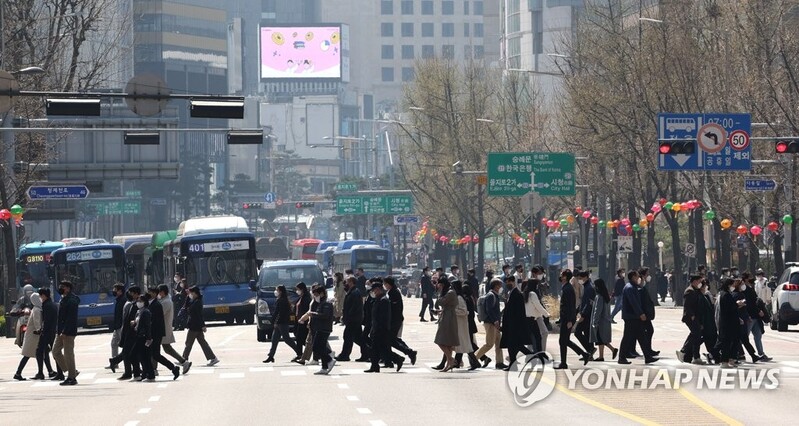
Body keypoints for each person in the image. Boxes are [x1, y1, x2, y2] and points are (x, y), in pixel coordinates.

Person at [618, 271, 656, 365]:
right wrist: (640, 313)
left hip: (634, 317)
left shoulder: (633, 287)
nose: (639, 278)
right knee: (627, 337)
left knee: (641, 336)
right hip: (631, 317)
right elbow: (633, 302)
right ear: (633, 277)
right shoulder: (630, 288)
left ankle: (647, 357)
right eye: (637, 276)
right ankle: (621, 357)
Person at [365, 282, 403, 373]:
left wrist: (378, 329)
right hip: (377, 328)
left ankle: (397, 359)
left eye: (374, 290)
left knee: (378, 349)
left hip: (381, 330)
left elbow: (383, 317)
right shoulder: (378, 299)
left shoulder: (384, 300)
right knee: (380, 349)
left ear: (378, 289)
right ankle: (376, 366)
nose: (373, 292)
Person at [555, 270, 589, 369]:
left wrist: (569, 320)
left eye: (561, 275)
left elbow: (570, 306)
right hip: (566, 318)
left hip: (568, 319)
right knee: (565, 341)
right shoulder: (566, 287)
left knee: (563, 341)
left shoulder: (567, 289)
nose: (560, 277)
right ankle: (584, 354)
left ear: (565, 277)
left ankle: (564, 363)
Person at [146, 287, 181, 380]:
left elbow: (154, 320)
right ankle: (151, 372)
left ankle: (172, 368)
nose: (148, 293)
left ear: (154, 293)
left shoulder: (157, 304)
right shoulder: (153, 303)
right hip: (154, 333)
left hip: (156, 333)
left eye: (150, 292)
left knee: (155, 354)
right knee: (154, 354)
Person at [157, 285, 191, 374]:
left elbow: (158, 314)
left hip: (163, 328)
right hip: (163, 328)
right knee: (166, 349)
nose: (158, 294)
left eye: (159, 292)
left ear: (163, 292)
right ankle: (184, 362)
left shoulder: (166, 302)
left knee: (156, 349)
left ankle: (153, 369)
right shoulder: (164, 300)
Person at [182, 286, 220, 367]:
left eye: (191, 293)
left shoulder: (198, 302)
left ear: (195, 293)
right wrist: (188, 298)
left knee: (188, 343)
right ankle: (213, 358)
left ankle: (184, 359)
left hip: (195, 326)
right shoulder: (194, 300)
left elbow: (199, 315)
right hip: (196, 325)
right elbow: (186, 307)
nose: (190, 295)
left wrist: (203, 325)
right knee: (203, 343)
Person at [264, 285, 302, 363]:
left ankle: (299, 353)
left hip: (282, 323)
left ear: (280, 291)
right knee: (274, 340)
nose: (275, 292)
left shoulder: (282, 300)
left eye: (277, 290)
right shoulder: (282, 300)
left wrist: (275, 321)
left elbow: (279, 313)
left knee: (287, 339)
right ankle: (271, 356)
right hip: (280, 322)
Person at [110, 286, 142, 380]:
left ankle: (133, 372)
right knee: (128, 353)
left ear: (136, 293)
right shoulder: (131, 303)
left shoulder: (138, 304)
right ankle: (133, 372)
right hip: (128, 331)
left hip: (134, 332)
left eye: (132, 293)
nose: (130, 294)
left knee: (129, 353)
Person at [52, 281, 80, 386]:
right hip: (61, 331)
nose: (60, 288)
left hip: (67, 332)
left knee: (69, 354)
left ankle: (72, 378)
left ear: (68, 288)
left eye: (62, 287)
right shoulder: (64, 298)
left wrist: (65, 331)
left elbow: (70, 319)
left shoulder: (71, 301)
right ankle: (72, 371)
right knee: (55, 352)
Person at [384, 277, 417, 365]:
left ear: (388, 284)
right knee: (393, 339)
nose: (384, 286)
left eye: (385, 284)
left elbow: (394, 308)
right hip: (394, 319)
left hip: (395, 320)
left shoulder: (394, 292)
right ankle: (408, 353)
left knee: (391, 340)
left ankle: (408, 352)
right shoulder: (392, 291)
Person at [475, 279, 505, 369]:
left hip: (495, 323)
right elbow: (489, 310)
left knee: (499, 344)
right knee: (489, 344)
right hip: (491, 323)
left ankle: (499, 362)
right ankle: (474, 358)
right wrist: (495, 321)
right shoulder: (491, 296)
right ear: (496, 286)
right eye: (500, 286)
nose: (501, 287)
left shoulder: (494, 295)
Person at [13, 292, 43, 381]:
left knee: (38, 354)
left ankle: (40, 372)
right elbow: (37, 323)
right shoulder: (37, 310)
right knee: (27, 355)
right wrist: (40, 330)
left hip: (33, 336)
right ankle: (18, 373)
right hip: (33, 336)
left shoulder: (35, 308)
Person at [307, 285, 336, 375]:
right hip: (319, 327)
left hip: (324, 328)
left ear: (322, 293)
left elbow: (325, 315)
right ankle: (324, 367)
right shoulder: (321, 302)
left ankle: (329, 359)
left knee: (316, 347)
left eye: (316, 294)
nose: (315, 296)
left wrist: (313, 314)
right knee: (321, 347)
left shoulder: (326, 303)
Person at [452, 281, 481, 370]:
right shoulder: (459, 297)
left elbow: (464, 311)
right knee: (462, 345)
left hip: (462, 325)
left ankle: (475, 362)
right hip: (460, 324)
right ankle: (457, 362)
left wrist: (453, 311)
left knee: (465, 344)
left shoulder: (460, 298)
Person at [677, 275, 705, 364]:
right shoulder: (689, 291)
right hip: (690, 317)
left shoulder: (695, 290)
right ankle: (684, 352)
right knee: (696, 334)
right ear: (694, 281)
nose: (701, 283)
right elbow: (687, 305)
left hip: (695, 317)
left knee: (696, 335)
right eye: (699, 281)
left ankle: (694, 356)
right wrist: (692, 315)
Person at [433, 276, 459, 372]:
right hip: (446, 316)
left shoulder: (450, 292)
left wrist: (439, 293)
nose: (438, 286)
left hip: (449, 318)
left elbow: (441, 302)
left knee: (441, 340)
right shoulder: (447, 292)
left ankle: (451, 360)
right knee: (447, 343)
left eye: (439, 284)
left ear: (442, 284)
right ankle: (449, 363)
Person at [336, 277, 365, 361]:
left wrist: (347, 317)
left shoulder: (355, 292)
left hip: (353, 319)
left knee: (348, 337)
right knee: (358, 338)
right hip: (354, 319)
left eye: (347, 282)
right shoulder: (352, 291)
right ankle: (367, 353)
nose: (345, 284)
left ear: (351, 282)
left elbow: (354, 307)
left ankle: (345, 355)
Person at [716, 278, 743, 368]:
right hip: (728, 322)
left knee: (729, 341)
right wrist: (737, 304)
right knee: (726, 342)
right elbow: (729, 308)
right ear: (728, 285)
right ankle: (724, 361)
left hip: (729, 321)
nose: (733, 287)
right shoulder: (726, 295)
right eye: (732, 285)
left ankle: (728, 360)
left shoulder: (725, 294)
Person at [589, 279, 618, 361]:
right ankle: (611, 351)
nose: (594, 286)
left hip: (600, 322)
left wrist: (594, 321)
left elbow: (597, 310)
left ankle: (602, 356)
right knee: (601, 339)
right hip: (605, 321)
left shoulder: (599, 297)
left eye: (595, 285)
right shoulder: (605, 296)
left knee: (600, 339)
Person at [35, 288, 57, 380]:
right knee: (54, 352)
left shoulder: (46, 305)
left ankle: (41, 372)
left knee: (39, 352)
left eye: (40, 296)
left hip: (47, 332)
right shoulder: (52, 304)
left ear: (44, 295)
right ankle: (56, 372)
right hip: (52, 331)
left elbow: (46, 321)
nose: (40, 298)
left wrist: (42, 331)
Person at [133, 294, 155, 382]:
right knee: (143, 356)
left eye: (140, 301)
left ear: (145, 302)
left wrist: (149, 338)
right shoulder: (139, 311)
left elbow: (147, 326)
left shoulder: (146, 312)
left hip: (143, 337)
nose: (138, 303)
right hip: (138, 335)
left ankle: (149, 374)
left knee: (143, 356)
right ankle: (147, 374)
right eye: (138, 301)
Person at [523, 279, 549, 354]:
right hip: (533, 318)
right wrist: (546, 314)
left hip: (528, 318)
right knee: (538, 337)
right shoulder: (532, 294)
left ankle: (536, 353)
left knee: (534, 337)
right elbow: (538, 306)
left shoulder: (526, 293)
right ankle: (540, 354)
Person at [638, 268, 659, 359]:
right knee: (647, 331)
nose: (648, 275)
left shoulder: (644, 284)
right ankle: (647, 352)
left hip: (645, 313)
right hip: (643, 314)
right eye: (647, 274)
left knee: (648, 331)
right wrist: (642, 312)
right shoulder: (640, 284)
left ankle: (648, 350)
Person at [574, 271, 596, 359]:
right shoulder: (586, 287)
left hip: (587, 315)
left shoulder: (589, 288)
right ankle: (589, 353)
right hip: (586, 313)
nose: (579, 280)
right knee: (587, 334)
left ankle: (590, 349)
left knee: (577, 332)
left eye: (581, 278)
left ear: (586, 277)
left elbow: (589, 303)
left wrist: (583, 315)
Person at [107, 283, 126, 371]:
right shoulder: (118, 299)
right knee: (114, 343)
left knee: (125, 345)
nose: (114, 291)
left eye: (115, 289)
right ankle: (115, 362)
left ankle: (124, 362)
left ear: (120, 291)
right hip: (117, 326)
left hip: (121, 326)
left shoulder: (123, 300)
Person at [292, 282, 312, 362]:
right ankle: (300, 354)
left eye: (298, 289)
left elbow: (307, 310)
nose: (297, 291)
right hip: (298, 321)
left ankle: (301, 355)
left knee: (302, 339)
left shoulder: (306, 298)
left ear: (302, 289)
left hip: (304, 321)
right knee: (300, 338)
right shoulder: (301, 297)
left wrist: (305, 320)